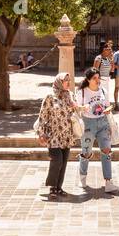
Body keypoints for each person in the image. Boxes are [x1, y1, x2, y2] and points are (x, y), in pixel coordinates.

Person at [75, 67, 119, 193]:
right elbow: (78, 108)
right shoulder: (82, 92)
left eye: (98, 77)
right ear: (88, 79)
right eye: (94, 78)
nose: (97, 80)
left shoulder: (103, 90)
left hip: (103, 123)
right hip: (88, 124)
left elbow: (107, 104)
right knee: (86, 151)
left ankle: (108, 182)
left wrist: (108, 109)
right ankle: (82, 178)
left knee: (106, 151)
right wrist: (84, 107)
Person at [37, 72, 78, 200]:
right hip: (53, 135)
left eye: (69, 80)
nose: (68, 83)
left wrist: (76, 107)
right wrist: (41, 133)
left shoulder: (70, 95)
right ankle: (52, 187)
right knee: (57, 160)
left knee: (64, 162)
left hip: (66, 134)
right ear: (59, 82)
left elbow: (74, 112)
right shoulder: (50, 96)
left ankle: (59, 187)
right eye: (66, 81)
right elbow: (43, 115)